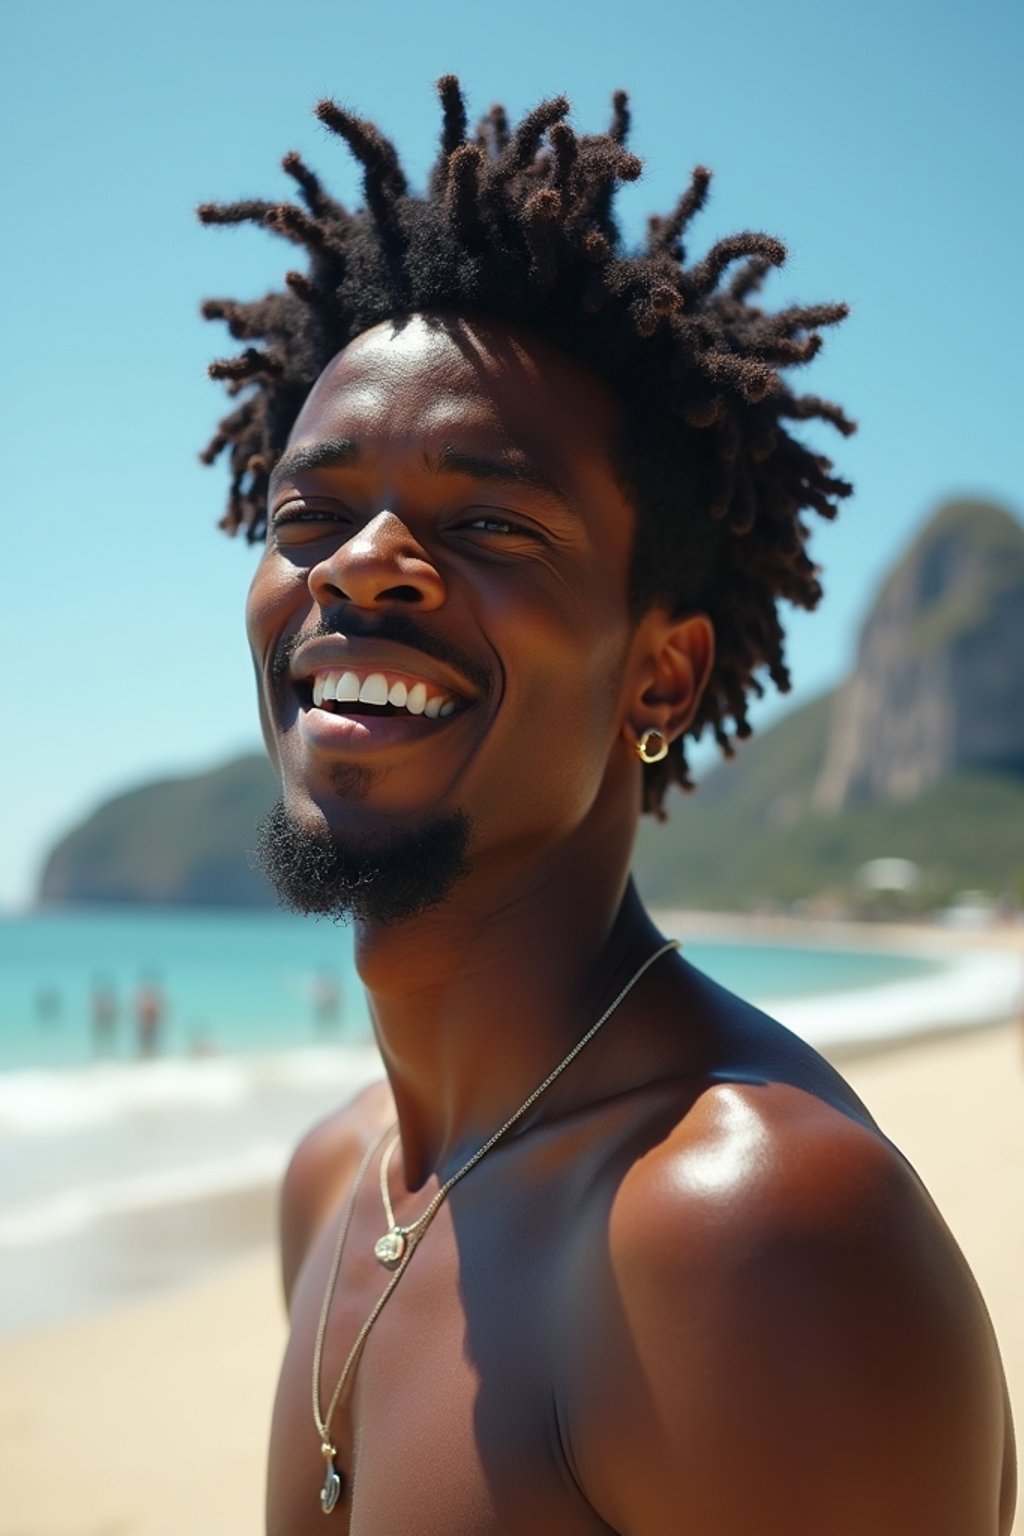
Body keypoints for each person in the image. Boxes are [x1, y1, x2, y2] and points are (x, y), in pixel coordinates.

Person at [199, 81, 1016, 1535]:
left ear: (662, 673)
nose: (362, 565)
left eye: (491, 523)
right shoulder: (341, 1183)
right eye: (307, 518)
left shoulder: (747, 1242)